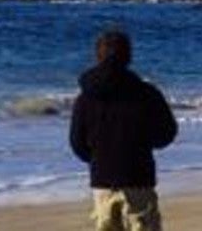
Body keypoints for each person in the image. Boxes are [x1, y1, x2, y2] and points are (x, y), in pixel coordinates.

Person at [70, 30, 178, 231]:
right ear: (128, 57)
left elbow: (77, 143)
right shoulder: (146, 93)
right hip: (138, 177)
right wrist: (143, 144)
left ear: (98, 56)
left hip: (102, 181)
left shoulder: (85, 97)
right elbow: (167, 132)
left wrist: (99, 157)